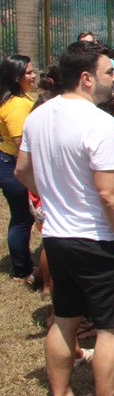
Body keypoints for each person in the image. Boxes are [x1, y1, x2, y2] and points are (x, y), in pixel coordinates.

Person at [15, 40, 114, 396]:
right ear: (86, 78)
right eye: (110, 72)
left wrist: (53, 197)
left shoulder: (38, 116)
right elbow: (110, 194)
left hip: (57, 239)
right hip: (98, 240)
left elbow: (22, 171)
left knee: (64, 320)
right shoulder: (99, 123)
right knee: (112, 326)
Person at [0, 55, 37, 283]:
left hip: (9, 163)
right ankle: (22, 270)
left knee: (23, 218)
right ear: (16, 77)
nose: (34, 76)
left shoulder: (20, 98)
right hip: (13, 166)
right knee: (22, 219)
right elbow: (20, 143)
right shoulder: (15, 105)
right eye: (29, 73)